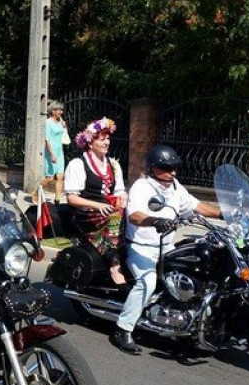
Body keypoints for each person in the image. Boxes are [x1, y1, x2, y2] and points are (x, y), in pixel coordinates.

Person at [114, 145, 221, 355]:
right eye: (166, 167)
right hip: (140, 247)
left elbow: (195, 204)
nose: (172, 172)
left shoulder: (174, 186)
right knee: (147, 282)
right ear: (153, 168)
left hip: (166, 246)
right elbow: (134, 215)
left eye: (174, 167)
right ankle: (123, 329)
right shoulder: (142, 187)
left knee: (194, 271)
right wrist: (155, 221)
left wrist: (222, 215)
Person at [64, 117, 127, 285]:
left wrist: (123, 201)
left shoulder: (113, 164)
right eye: (102, 139)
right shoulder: (78, 164)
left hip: (108, 209)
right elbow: (71, 198)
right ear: (90, 143)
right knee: (116, 216)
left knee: (131, 214)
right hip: (86, 213)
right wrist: (98, 205)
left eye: (108, 139)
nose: (107, 142)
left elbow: (120, 191)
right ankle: (114, 264)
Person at [35, 101, 67, 204]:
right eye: (59, 110)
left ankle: (57, 199)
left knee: (60, 177)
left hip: (60, 151)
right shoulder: (48, 122)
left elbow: (63, 135)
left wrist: (64, 126)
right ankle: (36, 192)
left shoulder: (60, 121)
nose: (61, 112)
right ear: (53, 111)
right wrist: (52, 154)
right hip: (51, 151)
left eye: (62, 110)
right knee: (49, 177)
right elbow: (47, 140)